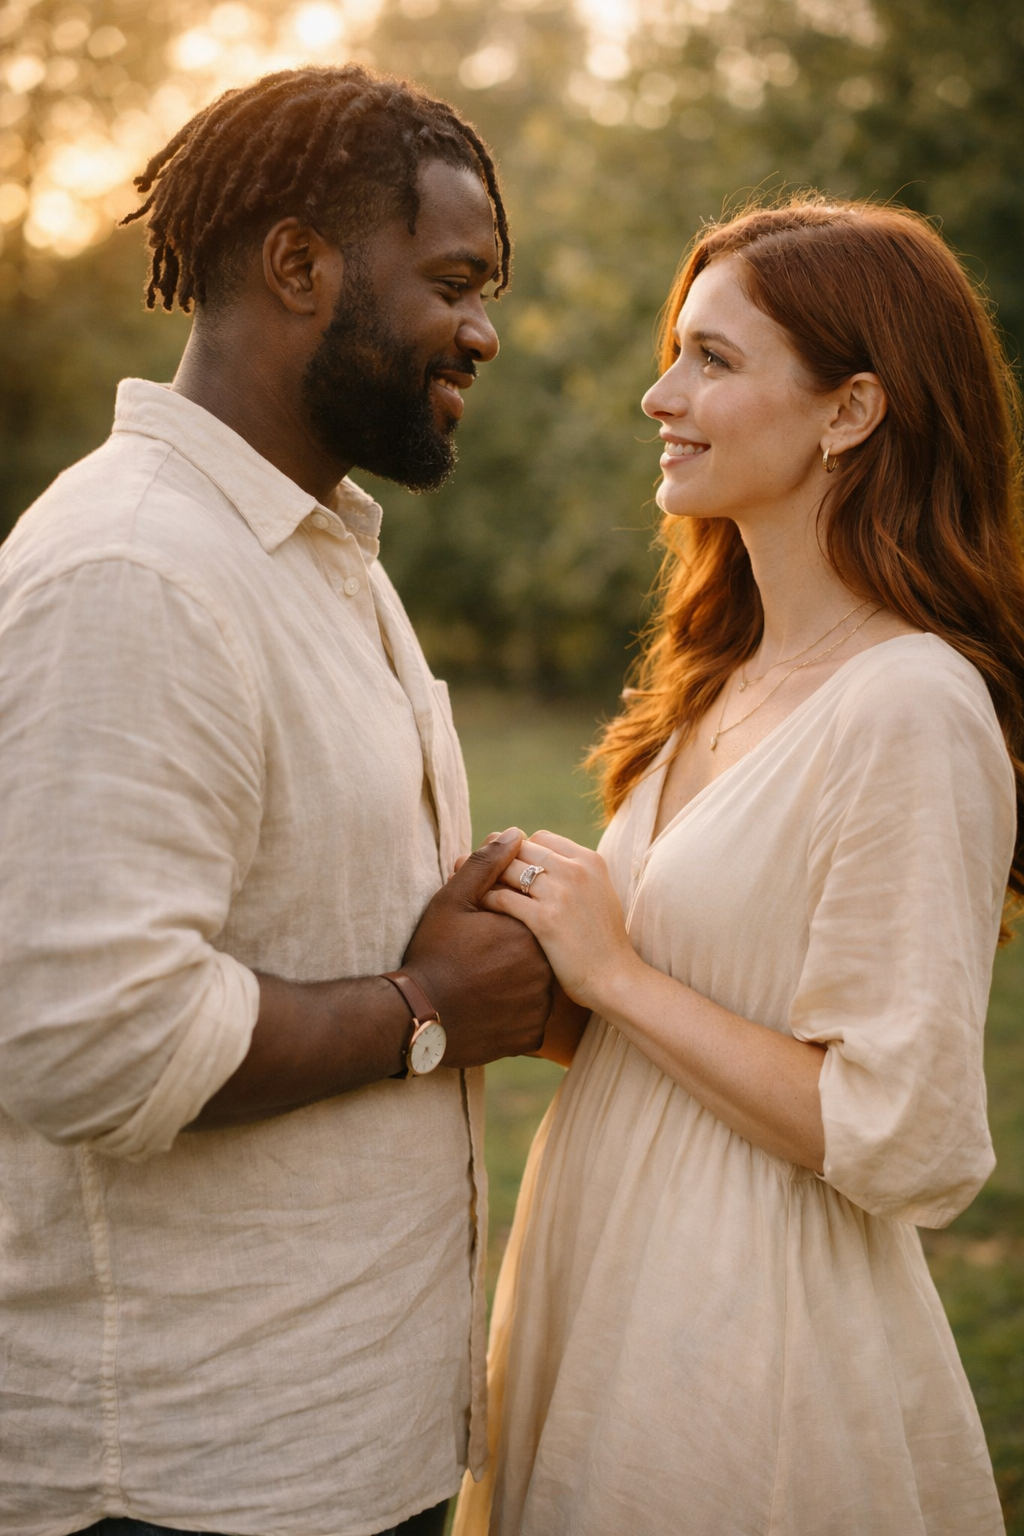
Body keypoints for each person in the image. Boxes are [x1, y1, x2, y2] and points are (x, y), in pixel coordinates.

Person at [0, 64, 573, 1536]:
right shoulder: (138, 569)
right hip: (190, 1478)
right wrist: (429, 1005)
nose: (485, 329)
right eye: (454, 280)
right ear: (300, 263)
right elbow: (92, 1038)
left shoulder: (317, 557)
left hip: (327, 1447)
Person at [453, 197, 1024, 1536]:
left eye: (714, 359)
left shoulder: (914, 706)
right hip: (607, 1266)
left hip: (740, 1321)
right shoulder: (722, 675)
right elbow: (672, 1023)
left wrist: (618, 973)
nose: (662, 394)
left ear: (851, 411)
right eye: (675, 353)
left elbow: (907, 1133)